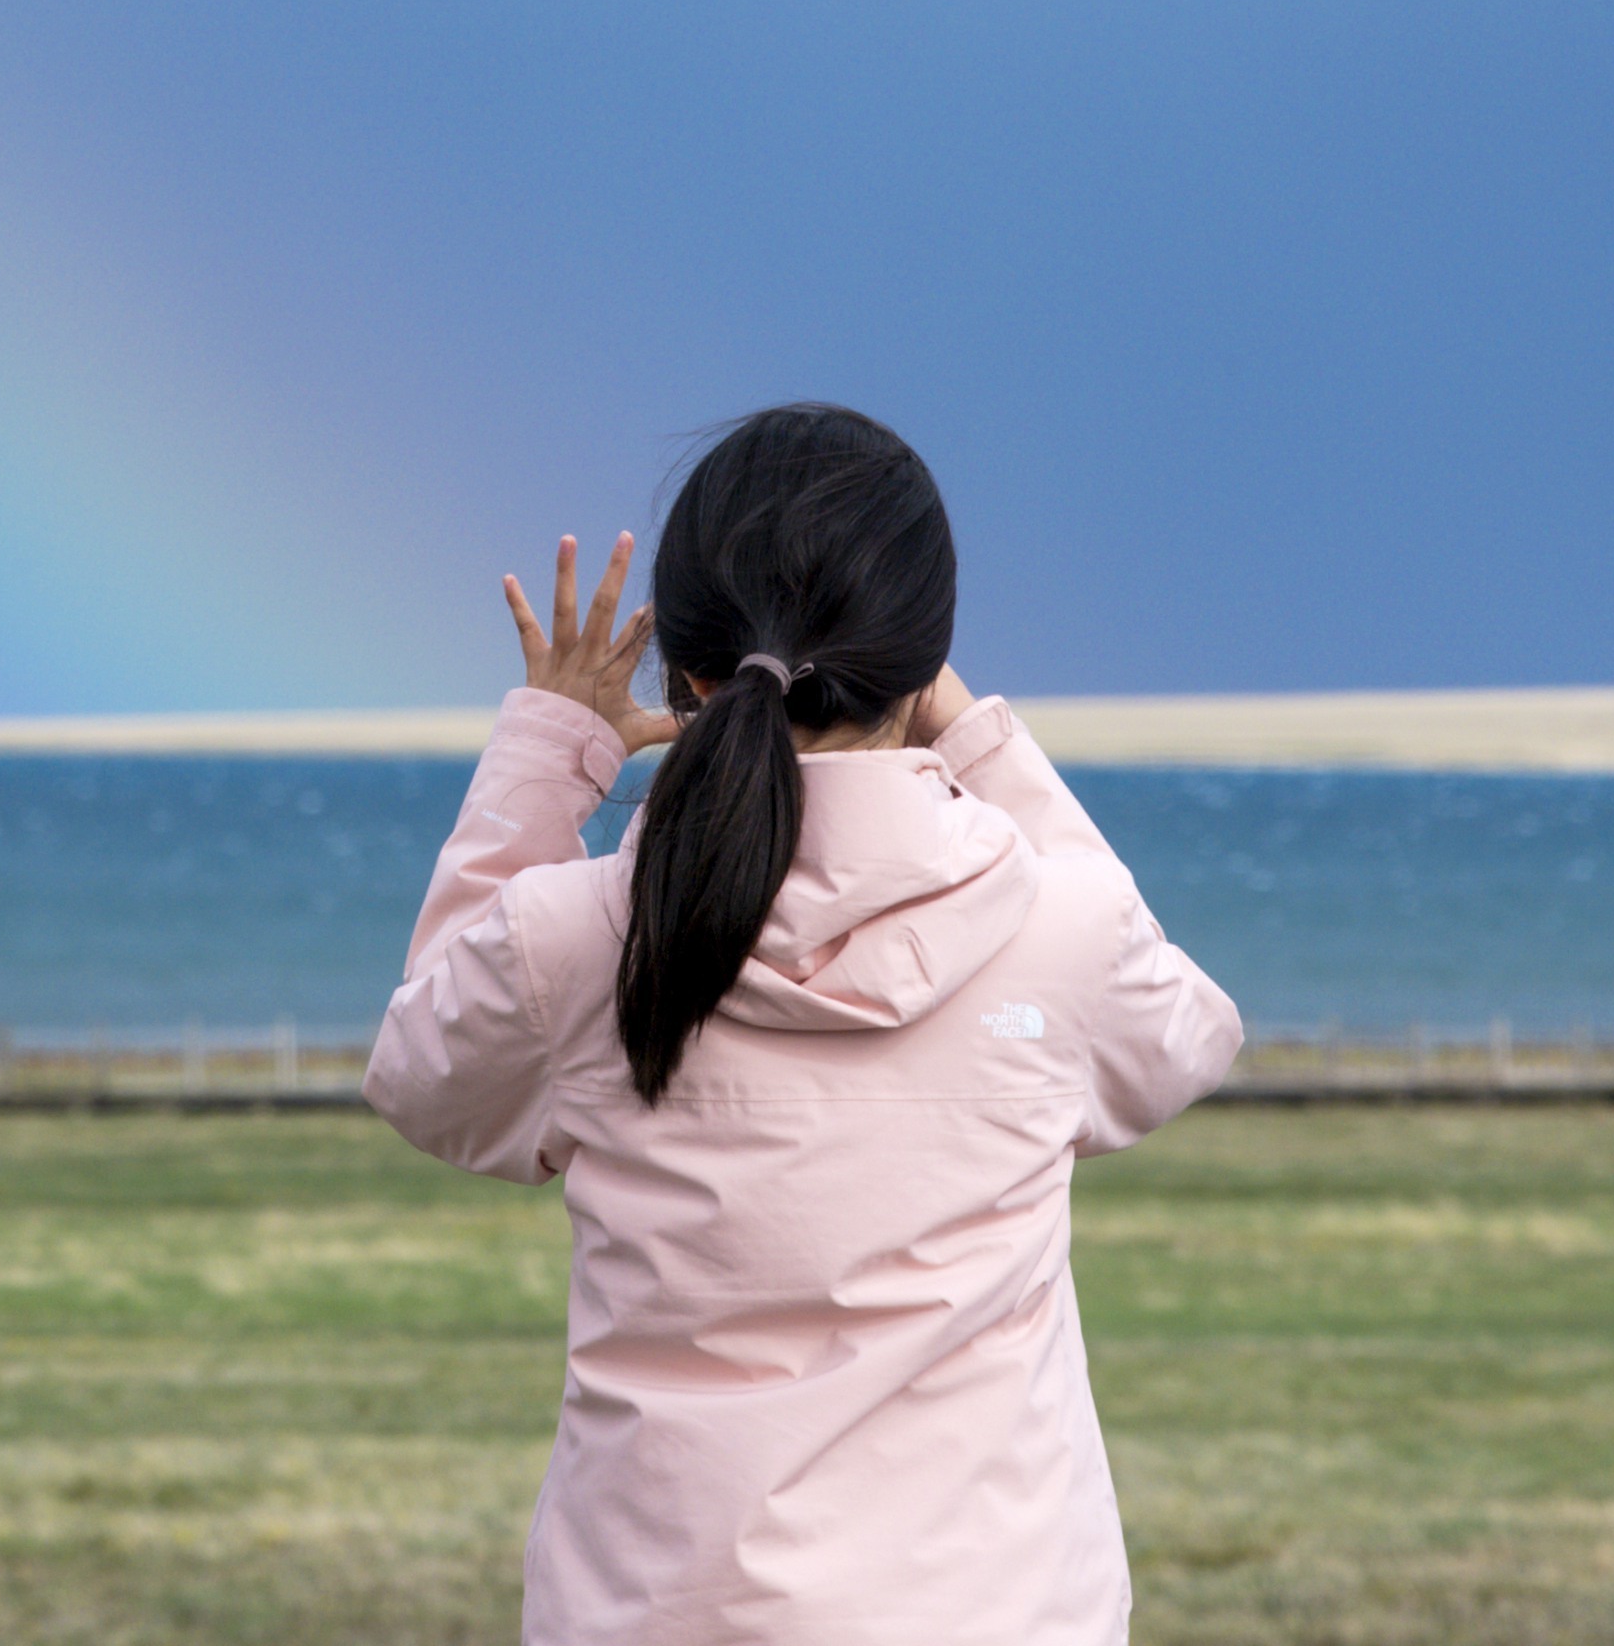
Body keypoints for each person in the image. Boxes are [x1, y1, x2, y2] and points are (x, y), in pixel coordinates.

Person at [366, 403, 1239, 1644]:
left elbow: (426, 1078)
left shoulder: (576, 938)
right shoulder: (1056, 927)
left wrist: (548, 748)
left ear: (689, 671)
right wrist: (979, 736)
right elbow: (1182, 1039)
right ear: (919, 655)